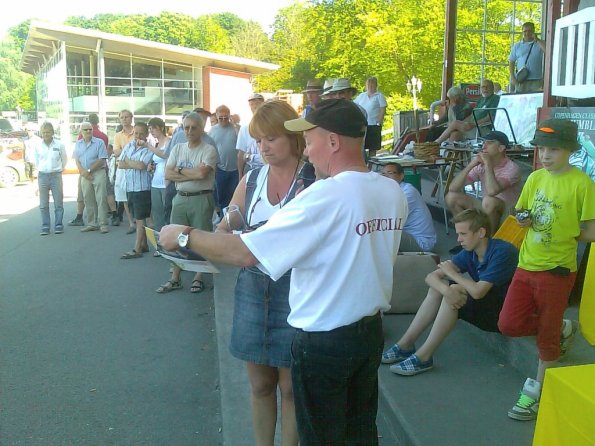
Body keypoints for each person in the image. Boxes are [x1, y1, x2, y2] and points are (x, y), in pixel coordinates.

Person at [157, 99, 408, 445]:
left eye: (312, 139)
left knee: (321, 435)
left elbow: (246, 253)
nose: (309, 149)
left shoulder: (323, 196)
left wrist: (183, 235)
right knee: (359, 430)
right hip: (368, 333)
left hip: (324, 340)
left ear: (333, 142)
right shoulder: (390, 190)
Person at [217, 100, 304, 446]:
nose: (264, 147)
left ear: (292, 137)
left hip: (296, 289)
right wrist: (217, 233)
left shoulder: (312, 179)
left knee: (290, 387)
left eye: (272, 138)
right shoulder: (252, 178)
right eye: (258, 140)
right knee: (260, 384)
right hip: (252, 287)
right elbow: (231, 220)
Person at [497, 119, 595, 421]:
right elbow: (520, 212)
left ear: (569, 151)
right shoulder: (536, 178)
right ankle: (562, 328)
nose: (547, 154)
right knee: (508, 324)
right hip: (526, 264)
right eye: (542, 148)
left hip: (558, 270)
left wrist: (568, 233)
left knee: (546, 341)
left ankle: (535, 394)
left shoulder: (582, 183)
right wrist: (523, 219)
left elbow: (591, 231)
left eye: (554, 149)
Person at [383, 209, 518, 375]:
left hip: (506, 314)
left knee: (454, 289)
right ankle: (405, 344)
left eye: (463, 234)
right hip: (488, 305)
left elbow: (478, 292)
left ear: (481, 232)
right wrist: (446, 290)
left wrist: (452, 277)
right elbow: (431, 277)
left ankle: (424, 357)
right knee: (441, 289)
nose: (458, 239)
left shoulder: (502, 252)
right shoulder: (470, 251)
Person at [157, 112, 218, 294]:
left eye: (194, 127)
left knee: (199, 239)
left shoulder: (208, 150)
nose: (190, 131)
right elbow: (167, 174)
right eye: (186, 127)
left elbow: (202, 175)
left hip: (201, 198)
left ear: (201, 129)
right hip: (180, 198)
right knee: (176, 238)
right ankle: (175, 277)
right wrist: (191, 172)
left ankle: (198, 276)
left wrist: (180, 169)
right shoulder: (177, 148)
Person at [446, 131, 522, 233]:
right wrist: (471, 165)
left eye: (490, 143)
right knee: (451, 197)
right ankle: (469, 234)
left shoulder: (512, 168)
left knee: (489, 200)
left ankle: (488, 241)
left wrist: (488, 164)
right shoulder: (481, 165)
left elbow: (492, 191)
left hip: (508, 211)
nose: (484, 146)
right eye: (484, 142)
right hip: (487, 206)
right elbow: (453, 188)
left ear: (501, 148)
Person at [381, 162, 437, 252]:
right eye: (383, 174)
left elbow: (388, 219)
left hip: (421, 242)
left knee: (381, 229)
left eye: (390, 173)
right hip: (407, 235)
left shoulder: (408, 192)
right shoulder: (388, 191)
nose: (386, 177)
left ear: (401, 176)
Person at [118, 122, 154, 259]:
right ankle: (144, 244)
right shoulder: (129, 145)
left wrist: (128, 161)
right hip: (130, 187)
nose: (138, 136)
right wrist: (131, 163)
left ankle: (136, 249)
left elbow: (141, 165)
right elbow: (120, 164)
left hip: (142, 188)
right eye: (136, 133)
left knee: (140, 219)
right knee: (137, 217)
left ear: (146, 134)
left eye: (141, 133)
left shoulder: (149, 149)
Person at [434, 80, 500, 144]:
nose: (485, 89)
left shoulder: (495, 99)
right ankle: (449, 154)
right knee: (455, 135)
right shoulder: (481, 99)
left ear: (492, 88)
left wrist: (472, 124)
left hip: (482, 128)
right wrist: (464, 123)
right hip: (473, 127)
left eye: (487, 86)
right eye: (483, 87)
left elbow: (491, 117)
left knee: (455, 123)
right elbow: (472, 115)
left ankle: (436, 143)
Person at [73, 122, 109, 233]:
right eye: (86, 130)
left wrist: (89, 171)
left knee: (101, 198)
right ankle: (92, 223)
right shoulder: (78, 144)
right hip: (84, 174)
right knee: (88, 199)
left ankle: (103, 224)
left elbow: (102, 159)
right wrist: (83, 172)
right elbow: (76, 159)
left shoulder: (99, 142)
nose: (88, 131)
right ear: (81, 132)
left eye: (90, 129)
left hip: (98, 172)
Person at [33, 122, 68, 235]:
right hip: (42, 176)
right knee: (43, 204)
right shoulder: (37, 146)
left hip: (56, 176)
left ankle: (58, 224)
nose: (46, 134)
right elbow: (36, 161)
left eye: (48, 132)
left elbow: (64, 159)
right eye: (44, 132)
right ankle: (45, 226)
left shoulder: (59, 145)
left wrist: (59, 169)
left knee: (58, 202)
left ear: (52, 132)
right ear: (41, 133)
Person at [209, 105, 239, 215]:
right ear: (216, 116)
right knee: (221, 197)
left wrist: (235, 125)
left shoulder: (235, 128)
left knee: (235, 197)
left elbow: (242, 142)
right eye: (220, 118)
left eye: (225, 118)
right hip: (220, 169)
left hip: (236, 168)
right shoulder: (213, 130)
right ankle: (223, 219)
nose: (223, 120)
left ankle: (233, 219)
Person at [113, 109, 136, 233]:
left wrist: (124, 151)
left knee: (138, 193)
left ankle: (142, 220)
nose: (125, 119)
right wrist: (130, 150)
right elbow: (116, 152)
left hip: (136, 167)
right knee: (124, 195)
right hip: (122, 167)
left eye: (127, 117)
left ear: (131, 118)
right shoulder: (117, 135)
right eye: (122, 117)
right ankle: (131, 222)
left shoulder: (136, 131)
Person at [147, 117, 171, 232]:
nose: (151, 131)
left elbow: (165, 155)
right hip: (155, 182)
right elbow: (157, 159)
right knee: (157, 214)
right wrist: (151, 165)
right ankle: (160, 241)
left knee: (167, 213)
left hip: (166, 182)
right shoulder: (156, 144)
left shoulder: (168, 141)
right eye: (150, 129)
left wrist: (149, 147)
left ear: (161, 127)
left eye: (153, 128)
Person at [508, 22, 546, 93]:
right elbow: (511, 62)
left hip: (536, 80)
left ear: (533, 31)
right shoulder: (517, 46)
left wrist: (537, 40)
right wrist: (513, 77)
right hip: (521, 80)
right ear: (522, 32)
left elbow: (547, 51)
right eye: (525, 31)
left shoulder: (539, 43)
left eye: (530, 31)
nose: (527, 33)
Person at [355, 76, 387, 158]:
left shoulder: (379, 96)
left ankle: (371, 164)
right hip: (362, 124)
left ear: (376, 85)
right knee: (362, 145)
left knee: (373, 147)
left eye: (372, 85)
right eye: (368, 85)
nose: (370, 86)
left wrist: (379, 122)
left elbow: (382, 109)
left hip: (374, 124)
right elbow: (355, 107)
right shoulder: (361, 96)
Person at [237, 93, 265, 178]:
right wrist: (240, 176)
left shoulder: (270, 127)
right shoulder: (245, 129)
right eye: (252, 104)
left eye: (257, 103)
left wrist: (249, 156)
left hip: (268, 168)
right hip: (250, 169)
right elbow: (241, 154)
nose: (255, 107)